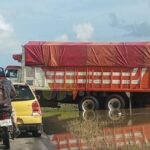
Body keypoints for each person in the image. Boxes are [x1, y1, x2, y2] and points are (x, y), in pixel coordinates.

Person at [0, 67, 20, 137]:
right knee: (13, 113)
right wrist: (13, 98)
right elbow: (14, 92)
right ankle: (16, 128)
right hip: (7, 106)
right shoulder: (8, 82)